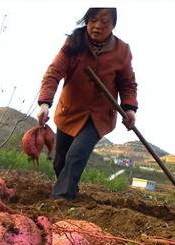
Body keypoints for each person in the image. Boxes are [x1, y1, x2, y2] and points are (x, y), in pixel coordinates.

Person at [37, 7, 138, 200]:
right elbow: (54, 72)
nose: (97, 26)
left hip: (99, 116)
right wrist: (45, 103)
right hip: (70, 111)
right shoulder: (74, 42)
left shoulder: (122, 50)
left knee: (76, 155)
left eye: (104, 22)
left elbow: (128, 84)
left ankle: (61, 200)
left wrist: (130, 108)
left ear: (113, 25)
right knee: (60, 161)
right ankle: (70, 191)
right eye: (93, 20)